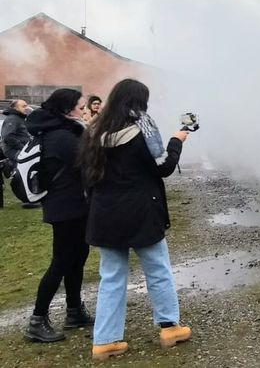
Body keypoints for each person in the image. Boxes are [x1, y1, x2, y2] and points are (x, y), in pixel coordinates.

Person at [79, 79, 190, 361]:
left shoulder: (94, 130)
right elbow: (163, 166)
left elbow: (87, 177)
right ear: (140, 101)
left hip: (105, 213)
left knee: (112, 278)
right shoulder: (144, 127)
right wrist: (177, 140)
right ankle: (169, 328)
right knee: (158, 270)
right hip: (141, 211)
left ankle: (105, 341)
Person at [24, 89, 95, 343]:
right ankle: (37, 321)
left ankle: (74, 311)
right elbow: (90, 163)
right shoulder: (61, 136)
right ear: (67, 110)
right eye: (80, 107)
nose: (84, 111)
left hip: (73, 205)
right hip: (65, 208)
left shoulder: (62, 131)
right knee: (62, 262)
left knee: (77, 258)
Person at [2, 100, 38, 208]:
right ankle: (28, 199)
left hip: (21, 150)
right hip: (14, 150)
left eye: (26, 105)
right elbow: (8, 137)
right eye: (23, 106)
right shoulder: (12, 119)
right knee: (24, 174)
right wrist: (23, 148)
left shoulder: (20, 119)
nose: (26, 108)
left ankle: (31, 197)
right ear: (15, 108)